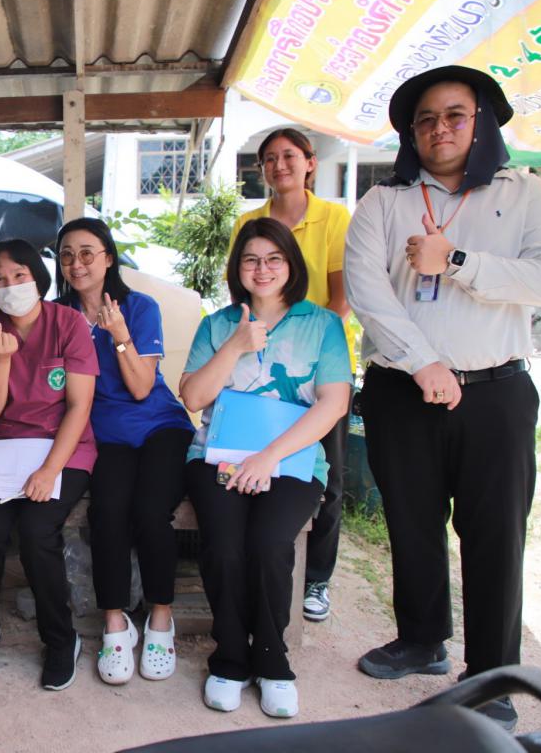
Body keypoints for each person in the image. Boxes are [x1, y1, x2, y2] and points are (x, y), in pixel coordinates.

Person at [345, 65, 541, 731]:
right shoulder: (383, 202)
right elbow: (368, 292)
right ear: (412, 133)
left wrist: (458, 262)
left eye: (455, 115)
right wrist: (423, 363)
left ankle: (491, 675)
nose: (440, 129)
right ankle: (421, 639)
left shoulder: (526, 193)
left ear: (482, 121)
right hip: (401, 391)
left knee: (494, 536)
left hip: (496, 392)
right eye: (426, 119)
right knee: (411, 522)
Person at [180, 218, 351, 718]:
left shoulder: (322, 324)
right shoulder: (217, 324)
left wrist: (268, 457)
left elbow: (334, 402)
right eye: (251, 259)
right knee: (224, 546)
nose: (262, 269)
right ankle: (230, 658)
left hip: (291, 459)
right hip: (218, 456)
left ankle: (273, 660)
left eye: (274, 258)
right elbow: (193, 397)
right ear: (237, 267)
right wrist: (235, 345)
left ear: (290, 265)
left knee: (270, 543)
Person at [54, 218, 195, 685]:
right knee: (108, 511)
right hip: (107, 436)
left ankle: (160, 617)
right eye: (67, 254)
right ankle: (115, 622)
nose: (77, 263)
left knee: (151, 511)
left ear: (108, 258)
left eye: (87, 253)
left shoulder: (139, 307)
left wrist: (118, 334)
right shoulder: (59, 316)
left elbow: (140, 388)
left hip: (160, 426)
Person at [231, 128, 354, 624]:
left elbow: (341, 296)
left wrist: (309, 343)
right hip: (259, 362)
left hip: (320, 362)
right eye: (269, 158)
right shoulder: (248, 222)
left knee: (328, 472)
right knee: (257, 454)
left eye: (288, 156)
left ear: (310, 162)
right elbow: (242, 290)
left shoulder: (335, 218)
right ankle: (262, 558)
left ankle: (316, 578)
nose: (279, 165)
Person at [0, 238, 98, 690]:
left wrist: (48, 471)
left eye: (19, 275)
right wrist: (2, 359)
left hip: (63, 448)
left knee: (39, 532)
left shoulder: (68, 323)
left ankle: (61, 640)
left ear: (37, 277)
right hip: (3, 448)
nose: (10, 286)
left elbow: (79, 406)